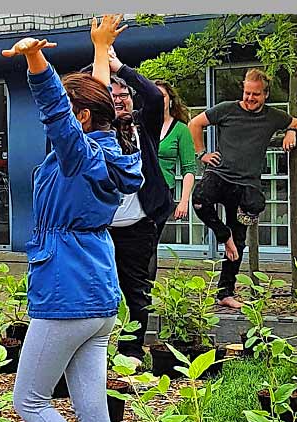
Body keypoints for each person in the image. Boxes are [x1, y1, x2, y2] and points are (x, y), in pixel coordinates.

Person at [7, 15, 142, 422]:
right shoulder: (110, 150)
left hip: (66, 293)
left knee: (29, 399)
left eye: (71, 114)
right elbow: (91, 106)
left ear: (82, 117)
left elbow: (60, 115)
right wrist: (100, 48)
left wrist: (37, 63)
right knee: (91, 407)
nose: (56, 128)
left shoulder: (75, 151)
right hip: (99, 293)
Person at [188, 68, 297, 309]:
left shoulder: (272, 116)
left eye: (255, 94)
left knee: (244, 229)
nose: (250, 98)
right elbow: (195, 123)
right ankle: (224, 236)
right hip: (220, 175)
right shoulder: (226, 109)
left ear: (265, 95)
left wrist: (292, 132)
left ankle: (225, 292)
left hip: (246, 184)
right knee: (200, 199)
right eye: (246, 93)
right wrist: (202, 153)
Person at [102, 45, 169, 367]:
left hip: (139, 225)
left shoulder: (144, 126)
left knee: (137, 291)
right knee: (101, 290)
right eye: (111, 96)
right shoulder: (95, 133)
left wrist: (120, 67)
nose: (119, 100)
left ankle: (131, 350)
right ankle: (96, 350)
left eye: (123, 95)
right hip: (101, 228)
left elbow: (155, 97)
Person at [154, 80, 196, 226]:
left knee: (152, 237)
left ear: (170, 100)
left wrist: (183, 201)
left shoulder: (180, 129)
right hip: (138, 190)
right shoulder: (141, 124)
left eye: (163, 96)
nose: (159, 100)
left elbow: (189, 168)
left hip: (163, 192)